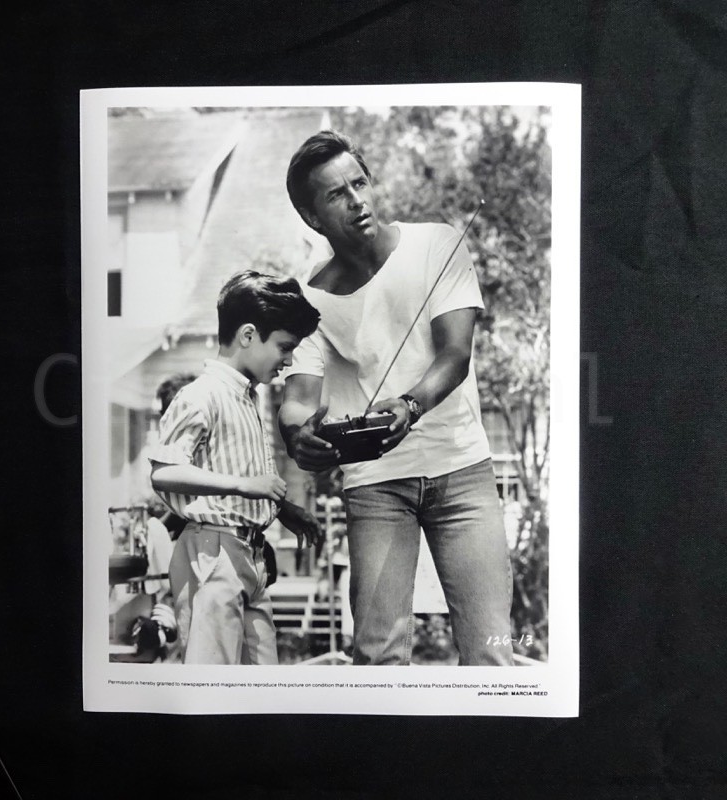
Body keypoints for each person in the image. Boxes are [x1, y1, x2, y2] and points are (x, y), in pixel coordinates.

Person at [279, 131, 514, 666]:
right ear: (311, 217)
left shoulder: (438, 243)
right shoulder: (307, 299)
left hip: (463, 468)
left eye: (359, 182)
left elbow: (455, 356)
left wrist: (409, 406)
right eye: (336, 194)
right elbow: (298, 399)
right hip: (376, 486)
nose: (357, 199)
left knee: (492, 650)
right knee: (377, 655)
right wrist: (298, 436)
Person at [148, 270, 323, 665]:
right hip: (212, 553)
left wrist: (283, 509)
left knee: (262, 683)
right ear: (248, 336)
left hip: (250, 555)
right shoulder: (201, 394)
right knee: (215, 685)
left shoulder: (247, 398)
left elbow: (241, 476)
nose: (289, 360)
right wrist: (245, 485)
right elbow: (163, 472)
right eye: (284, 347)